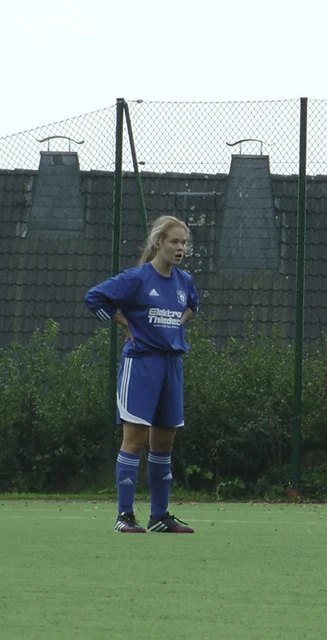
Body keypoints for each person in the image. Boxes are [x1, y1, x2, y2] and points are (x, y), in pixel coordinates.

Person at [85, 215, 199, 534]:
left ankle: (159, 517)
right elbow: (94, 297)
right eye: (175, 241)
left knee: (164, 442)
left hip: (171, 366)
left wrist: (177, 324)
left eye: (184, 243)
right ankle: (125, 516)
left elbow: (193, 304)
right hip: (141, 365)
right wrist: (126, 323)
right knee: (135, 439)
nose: (180, 248)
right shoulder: (136, 279)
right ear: (158, 243)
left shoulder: (184, 281)